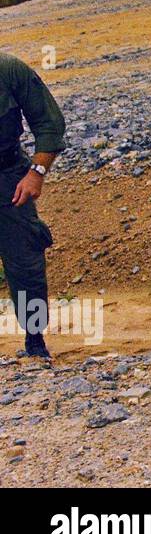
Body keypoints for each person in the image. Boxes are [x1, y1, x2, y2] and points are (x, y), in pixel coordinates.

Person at [0, 52, 66, 359]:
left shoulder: (9, 70)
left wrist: (36, 173)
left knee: (25, 260)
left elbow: (49, 122)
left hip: (8, 177)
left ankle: (35, 340)